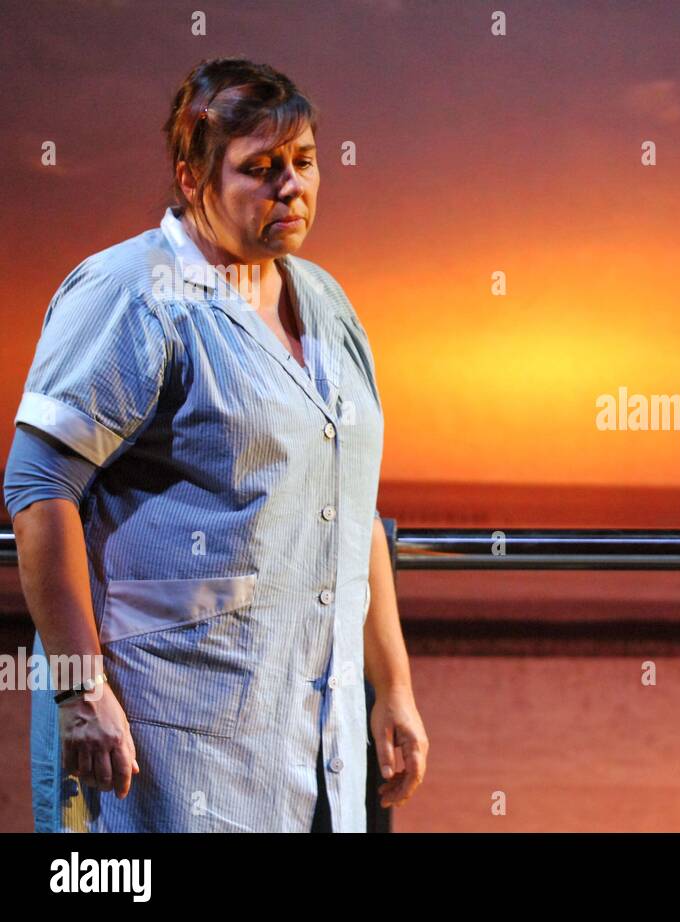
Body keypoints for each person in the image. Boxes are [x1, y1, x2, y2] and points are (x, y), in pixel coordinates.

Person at [4, 57, 428, 832]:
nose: (290, 187)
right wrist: (78, 689)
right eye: (259, 169)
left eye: (302, 163)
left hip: (310, 739)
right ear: (193, 176)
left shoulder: (325, 301)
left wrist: (392, 687)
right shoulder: (133, 292)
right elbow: (38, 489)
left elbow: (349, 507)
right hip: (168, 738)